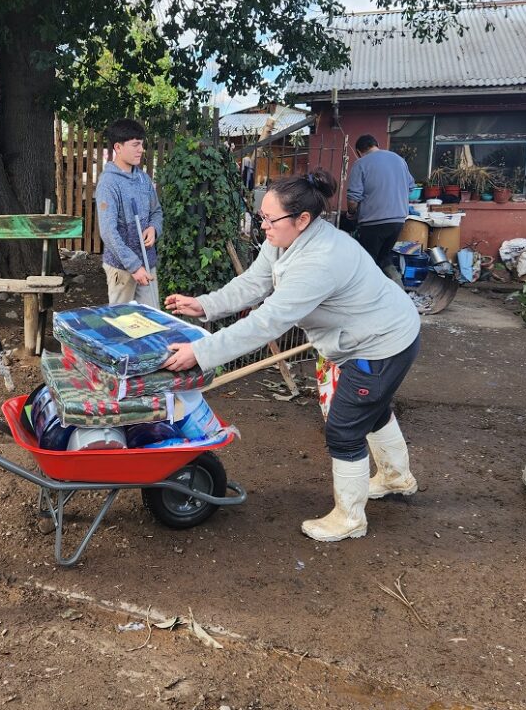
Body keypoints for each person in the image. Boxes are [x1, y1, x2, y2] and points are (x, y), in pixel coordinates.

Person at [161, 171, 420, 542]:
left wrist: (200, 353)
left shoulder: (321, 260)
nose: (262, 226)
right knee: (373, 410)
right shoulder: (283, 239)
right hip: (368, 334)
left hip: (382, 343)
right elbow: (254, 282)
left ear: (303, 219)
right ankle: (396, 477)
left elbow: (267, 322)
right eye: (260, 217)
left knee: (344, 428)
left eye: (270, 219)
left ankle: (350, 518)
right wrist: (205, 305)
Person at [95, 118, 163, 307]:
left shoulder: (143, 179)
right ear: (118, 147)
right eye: (135, 145)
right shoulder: (108, 183)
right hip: (121, 268)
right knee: (121, 325)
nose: (141, 149)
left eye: (141, 144)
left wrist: (154, 228)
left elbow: (156, 211)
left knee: (151, 321)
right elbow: (108, 232)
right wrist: (133, 266)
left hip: (147, 263)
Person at [345, 134, 413, 279]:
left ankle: (367, 298)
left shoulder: (361, 163)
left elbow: (353, 199)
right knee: (384, 258)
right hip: (398, 221)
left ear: (358, 151)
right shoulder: (399, 160)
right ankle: (399, 291)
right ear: (376, 145)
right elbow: (411, 188)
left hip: (373, 222)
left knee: (367, 263)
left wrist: (351, 213)